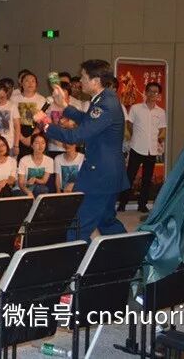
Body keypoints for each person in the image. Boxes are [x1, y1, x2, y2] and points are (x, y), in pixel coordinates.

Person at [39, 59, 128, 241]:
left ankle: (73, 258)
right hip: (108, 172)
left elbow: (75, 136)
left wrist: (45, 124)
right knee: (106, 221)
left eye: (83, 77)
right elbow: (88, 120)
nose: (80, 81)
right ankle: (130, 252)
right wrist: (64, 106)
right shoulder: (104, 99)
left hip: (100, 175)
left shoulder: (105, 104)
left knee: (79, 225)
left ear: (95, 81)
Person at [121, 82, 166, 213]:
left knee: (147, 179)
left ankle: (142, 204)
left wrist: (159, 140)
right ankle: (122, 203)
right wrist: (136, 136)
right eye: (150, 91)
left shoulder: (161, 112)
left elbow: (162, 129)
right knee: (129, 176)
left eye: (155, 92)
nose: (153, 94)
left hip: (151, 150)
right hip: (137, 147)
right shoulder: (135, 108)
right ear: (145, 92)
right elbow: (129, 125)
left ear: (158, 95)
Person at [11, 72, 47, 159]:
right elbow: (11, 121)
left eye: (33, 81)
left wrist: (32, 137)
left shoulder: (42, 100)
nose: (30, 83)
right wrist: (21, 138)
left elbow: (43, 122)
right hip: (17, 134)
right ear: (21, 83)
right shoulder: (13, 99)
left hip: (35, 134)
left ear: (36, 84)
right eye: (27, 81)